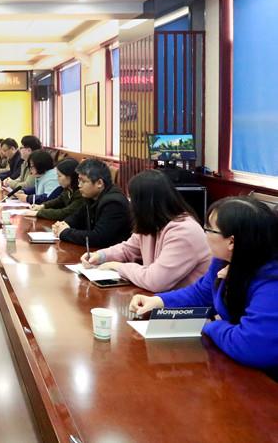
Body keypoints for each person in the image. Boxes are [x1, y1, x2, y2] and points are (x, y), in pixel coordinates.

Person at [129, 197, 278, 376]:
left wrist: (210, 326)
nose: (204, 233)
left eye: (209, 229)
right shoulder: (224, 260)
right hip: (234, 363)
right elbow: (202, 293)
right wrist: (159, 301)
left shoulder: (272, 281)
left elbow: (251, 346)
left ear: (231, 242)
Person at [81, 169, 211, 292]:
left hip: (186, 305)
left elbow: (156, 281)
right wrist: (101, 256)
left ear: (146, 203)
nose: (130, 204)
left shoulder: (184, 232)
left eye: (132, 199)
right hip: (161, 299)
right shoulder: (153, 223)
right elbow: (128, 249)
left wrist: (118, 267)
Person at [52, 159, 131, 247]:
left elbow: (99, 237)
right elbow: (77, 217)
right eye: (79, 181)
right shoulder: (92, 196)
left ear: (99, 183)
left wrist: (64, 232)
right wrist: (63, 224)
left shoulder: (114, 203)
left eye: (83, 181)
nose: (79, 185)